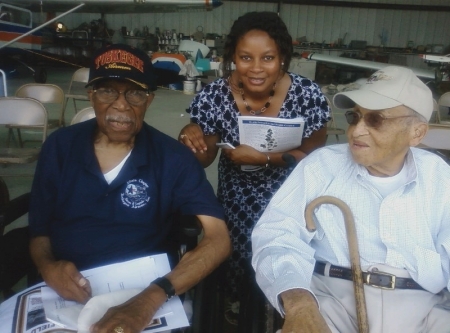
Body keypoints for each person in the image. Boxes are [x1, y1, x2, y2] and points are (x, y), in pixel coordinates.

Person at [28, 44, 231, 333]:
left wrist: (150, 298)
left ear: (149, 100)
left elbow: (219, 239)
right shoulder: (60, 147)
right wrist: (48, 267)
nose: (121, 105)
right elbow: (39, 230)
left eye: (134, 93)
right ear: (91, 95)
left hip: (145, 292)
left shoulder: (173, 157)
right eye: (107, 90)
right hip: (66, 295)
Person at [252, 66, 450, 333]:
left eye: (376, 120)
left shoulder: (439, 177)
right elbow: (277, 236)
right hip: (332, 302)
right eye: (354, 117)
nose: (356, 131)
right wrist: (300, 304)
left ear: (417, 133)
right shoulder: (322, 166)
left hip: (423, 310)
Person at [178, 11, 330, 321]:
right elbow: (205, 157)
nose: (256, 68)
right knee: (236, 261)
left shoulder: (308, 96)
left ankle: (283, 313)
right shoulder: (216, 95)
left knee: (285, 264)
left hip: (291, 201)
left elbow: (317, 161)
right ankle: (239, 310)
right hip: (236, 205)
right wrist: (191, 137)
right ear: (233, 57)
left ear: (283, 58)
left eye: (268, 58)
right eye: (246, 58)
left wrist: (264, 158)